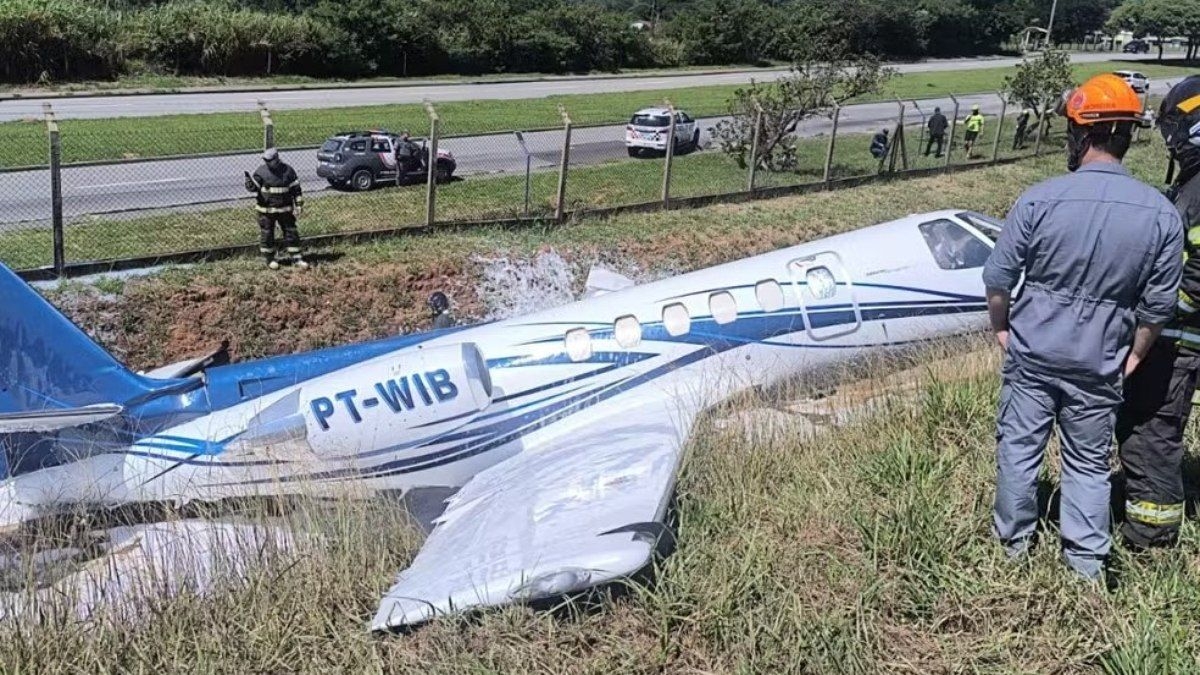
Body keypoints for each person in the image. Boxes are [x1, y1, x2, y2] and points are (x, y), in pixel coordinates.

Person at [982, 74, 1183, 581]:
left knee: (1019, 451)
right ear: (1127, 135)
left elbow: (999, 279)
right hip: (1101, 361)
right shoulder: (1161, 214)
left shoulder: (1039, 199)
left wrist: (1003, 329)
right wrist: (1134, 355)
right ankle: (1086, 565)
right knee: (1088, 465)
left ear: (1080, 133)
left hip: (1033, 352)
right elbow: (1156, 308)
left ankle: (1013, 550)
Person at [1114, 75, 1200, 550]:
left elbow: (1196, 279)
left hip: (1180, 341)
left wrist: (1155, 318)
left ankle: (1150, 540)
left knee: (1151, 432)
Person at [245, 148, 307, 270]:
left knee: (291, 233)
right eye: (265, 160)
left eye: (269, 160)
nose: (267, 163)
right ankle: (269, 259)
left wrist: (299, 205)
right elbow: (254, 188)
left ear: (276, 159)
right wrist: (249, 184)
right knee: (267, 234)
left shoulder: (288, 171)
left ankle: (297, 258)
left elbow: (296, 189)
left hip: (285, 210)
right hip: (266, 211)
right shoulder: (261, 172)